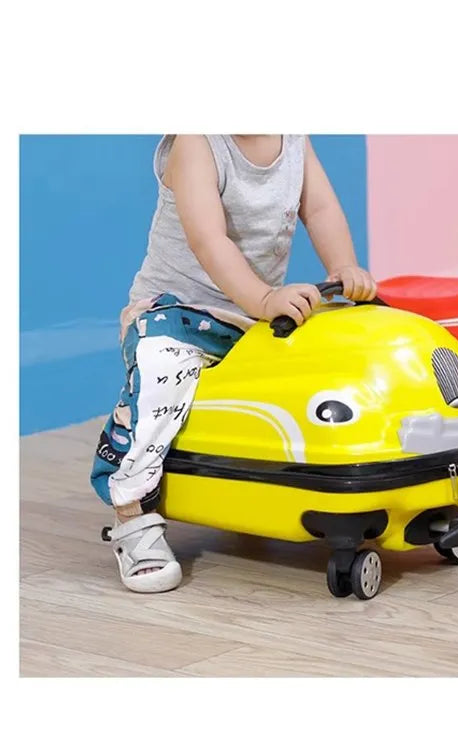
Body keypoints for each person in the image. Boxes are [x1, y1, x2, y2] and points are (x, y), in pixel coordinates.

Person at [90, 134, 376, 593]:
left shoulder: (294, 138)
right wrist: (263, 298)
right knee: (161, 384)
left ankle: (271, 490)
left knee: (306, 381)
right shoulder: (197, 143)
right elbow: (208, 240)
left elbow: (320, 209)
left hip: (251, 318)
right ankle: (132, 514)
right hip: (176, 313)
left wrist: (343, 266)